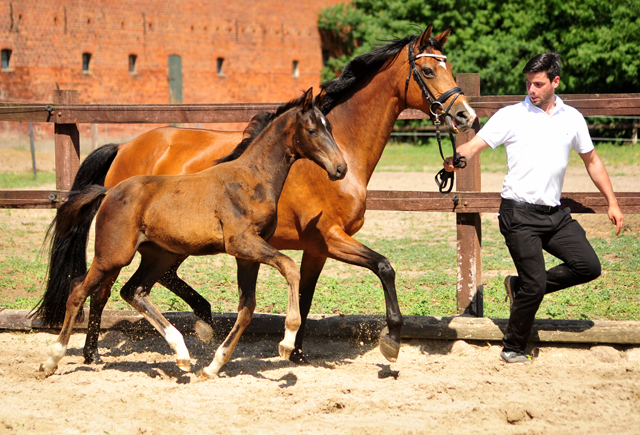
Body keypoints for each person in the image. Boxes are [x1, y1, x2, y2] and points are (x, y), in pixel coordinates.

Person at [443, 52, 624, 364]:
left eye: (538, 84)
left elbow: (592, 160)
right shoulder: (512, 116)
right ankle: (513, 347)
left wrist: (613, 202)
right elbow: (474, 145)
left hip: (554, 215)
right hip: (519, 214)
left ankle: (518, 286)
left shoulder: (572, 118)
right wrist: (457, 160)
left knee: (588, 266)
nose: (532, 89)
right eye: (528, 83)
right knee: (537, 284)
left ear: (555, 82)